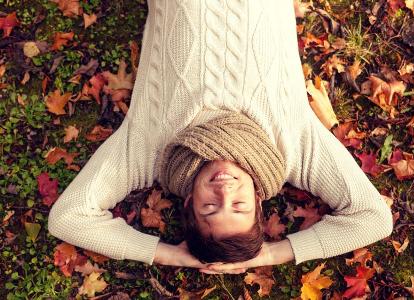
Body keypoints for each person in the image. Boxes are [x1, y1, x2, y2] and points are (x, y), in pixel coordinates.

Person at [48, 0, 393, 274]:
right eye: (239, 206)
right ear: (259, 200)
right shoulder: (294, 148)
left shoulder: (150, 151)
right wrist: (270, 255)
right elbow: (372, 219)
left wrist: (168, 255)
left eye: (209, 207)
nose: (224, 191)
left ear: (187, 203)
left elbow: (69, 217)